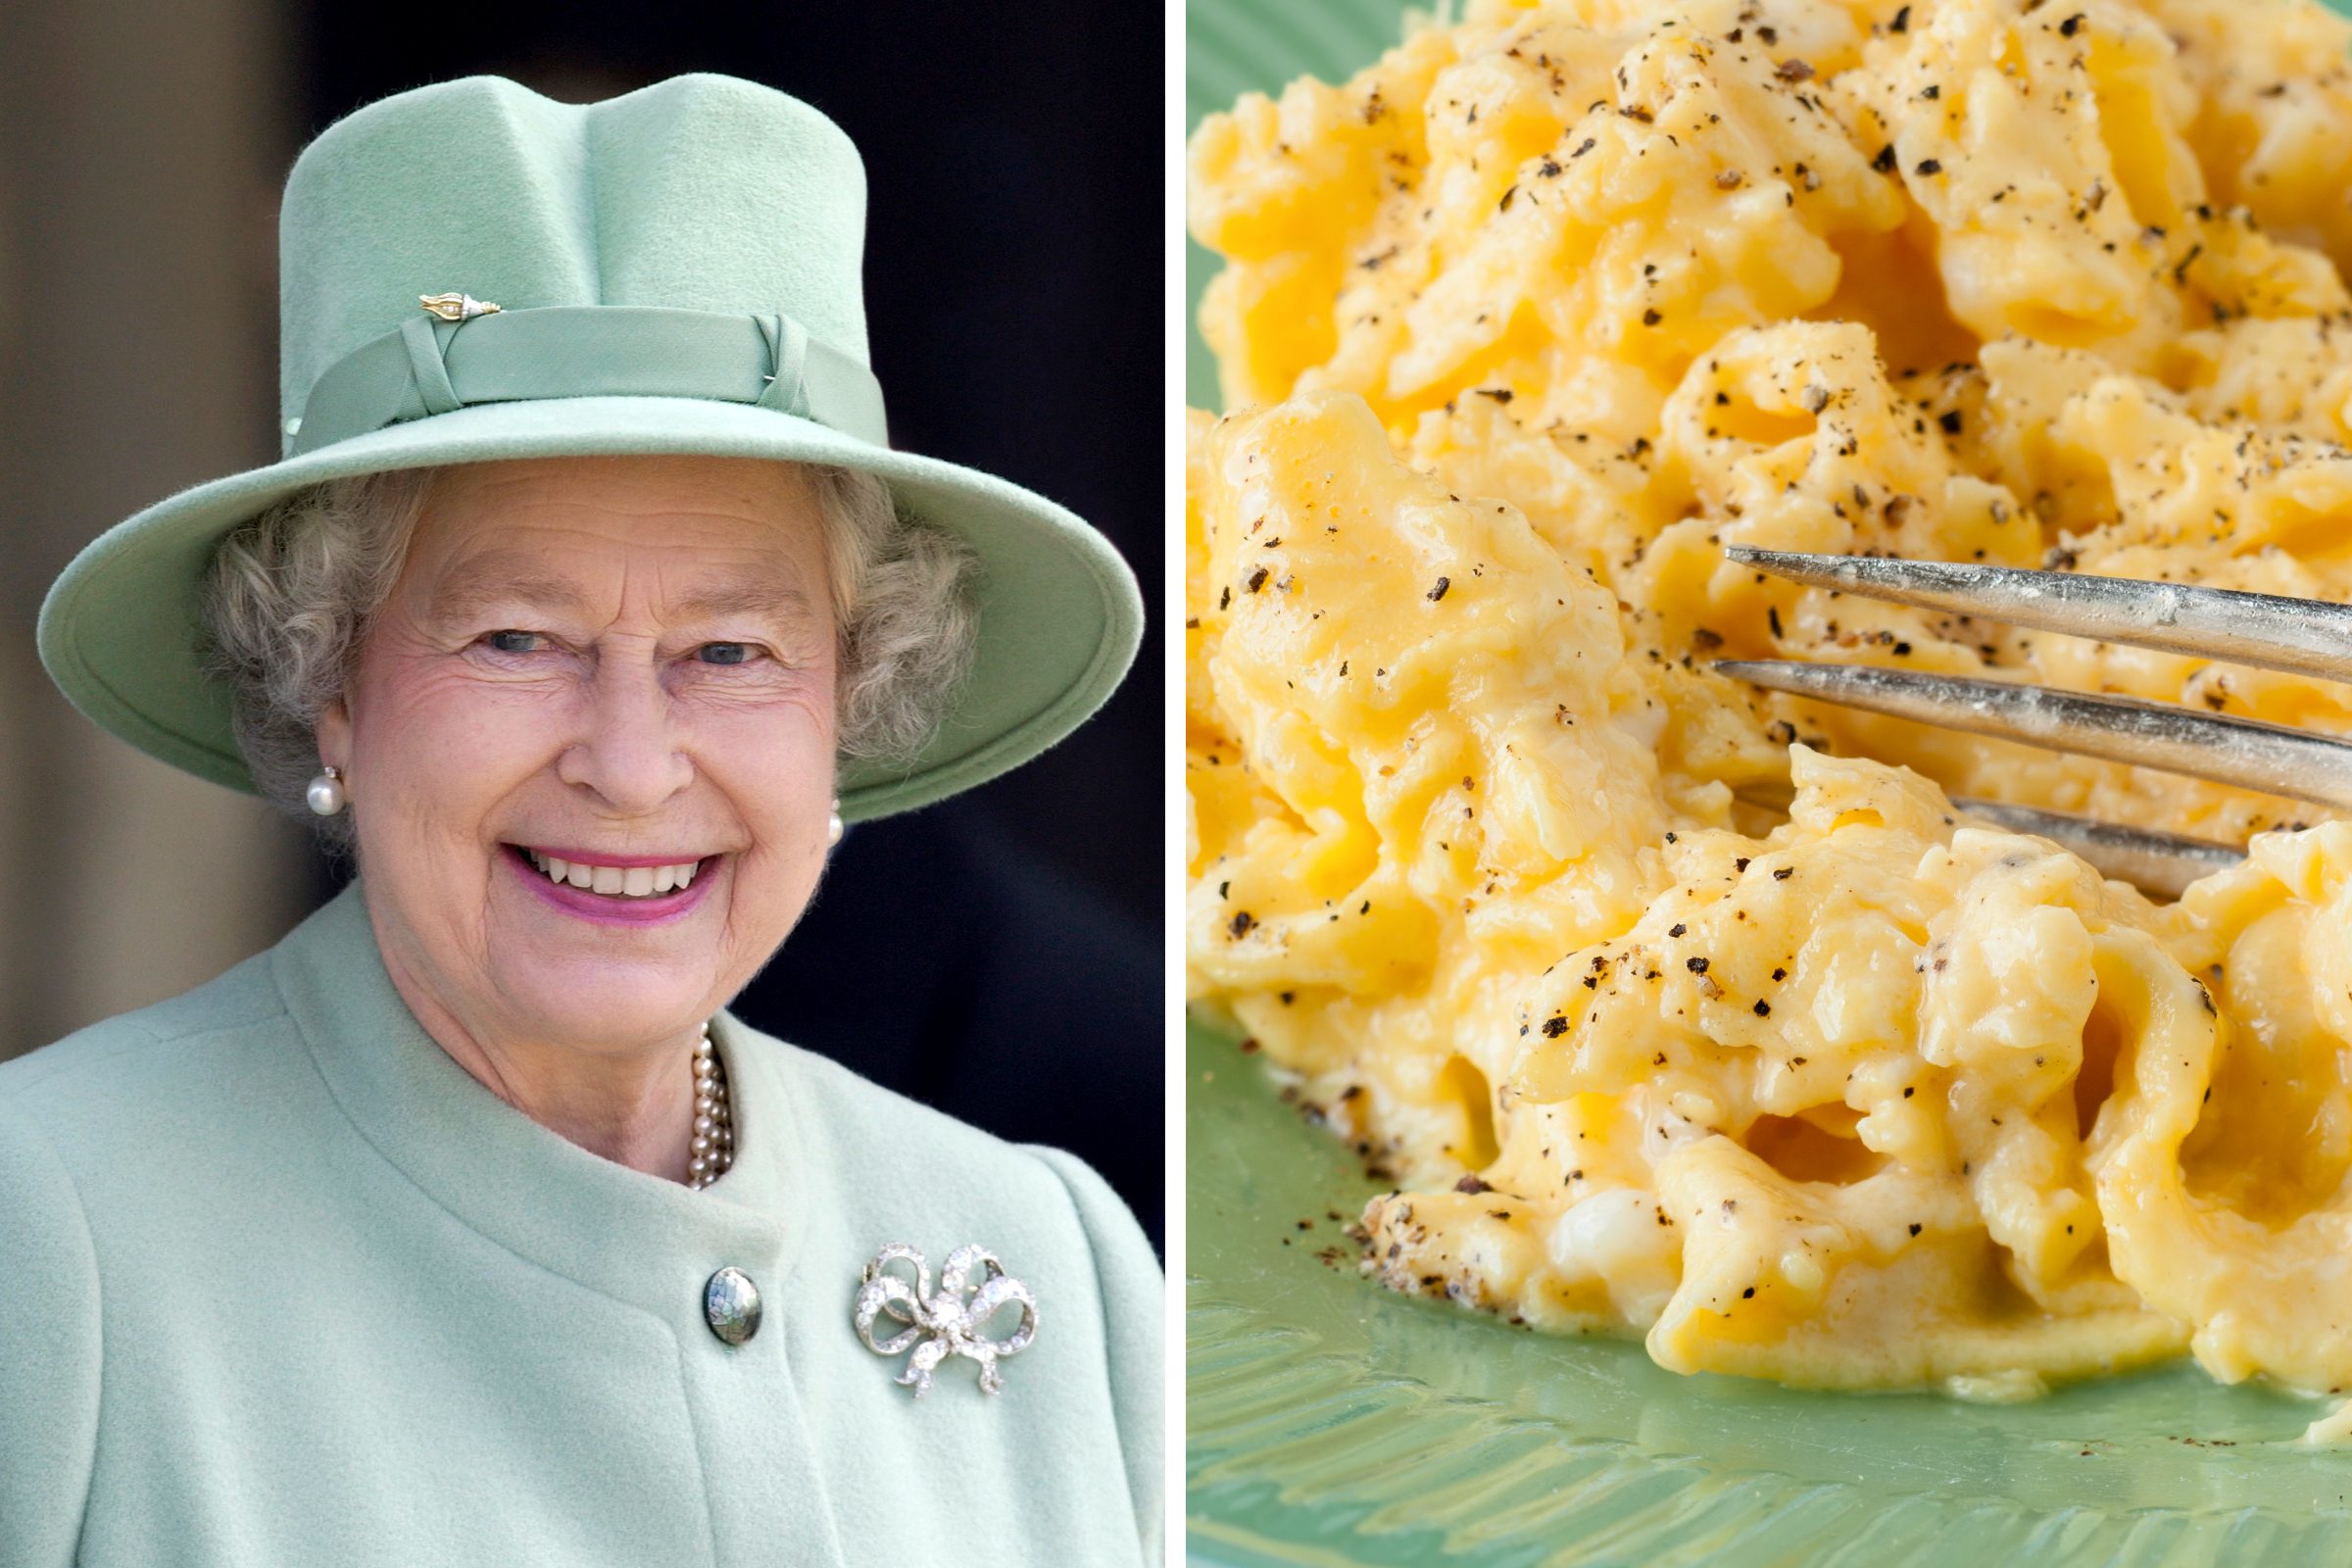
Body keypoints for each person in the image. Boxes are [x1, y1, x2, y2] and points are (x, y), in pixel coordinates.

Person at [0, 71, 1155, 1566]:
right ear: (329, 679)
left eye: (730, 652)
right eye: (516, 641)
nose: (630, 763)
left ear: (847, 704)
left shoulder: (1057, 1258)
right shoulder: (53, 1232)